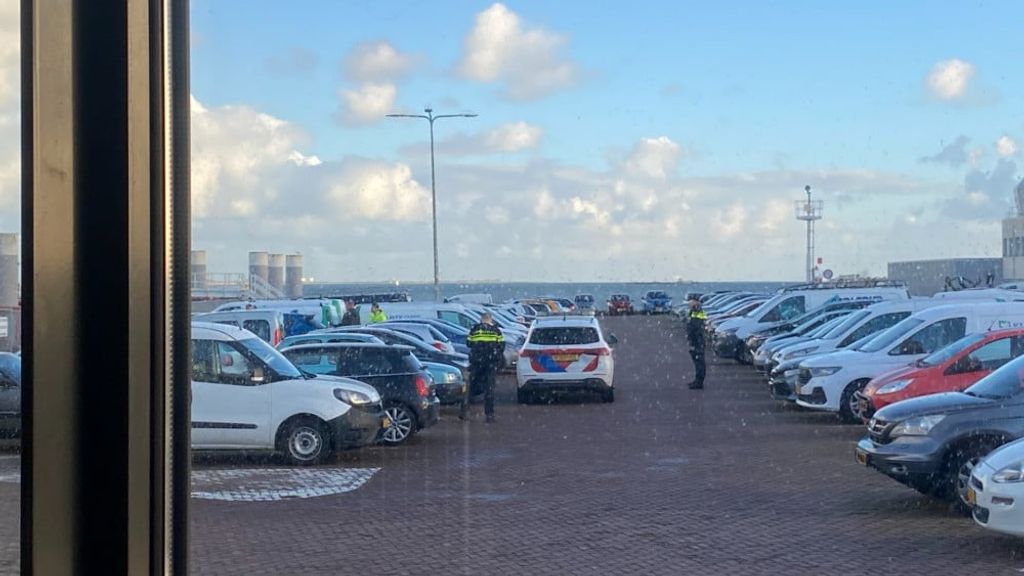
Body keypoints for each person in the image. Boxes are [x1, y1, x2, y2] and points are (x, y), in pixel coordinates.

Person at [461, 312, 505, 423]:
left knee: (471, 386)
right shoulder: (496, 331)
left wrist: (479, 347)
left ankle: (464, 411)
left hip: (477, 362)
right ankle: (489, 415)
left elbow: (468, 343)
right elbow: (502, 346)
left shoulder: (475, 329)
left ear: (481, 320)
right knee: (489, 389)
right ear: (490, 319)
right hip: (490, 364)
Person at [686, 298, 707, 390]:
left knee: (699, 361)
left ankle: (699, 381)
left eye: (690, 305)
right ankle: (697, 380)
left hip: (698, 341)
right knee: (697, 361)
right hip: (697, 340)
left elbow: (696, 327)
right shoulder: (696, 313)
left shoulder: (697, 313)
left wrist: (694, 340)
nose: (688, 306)